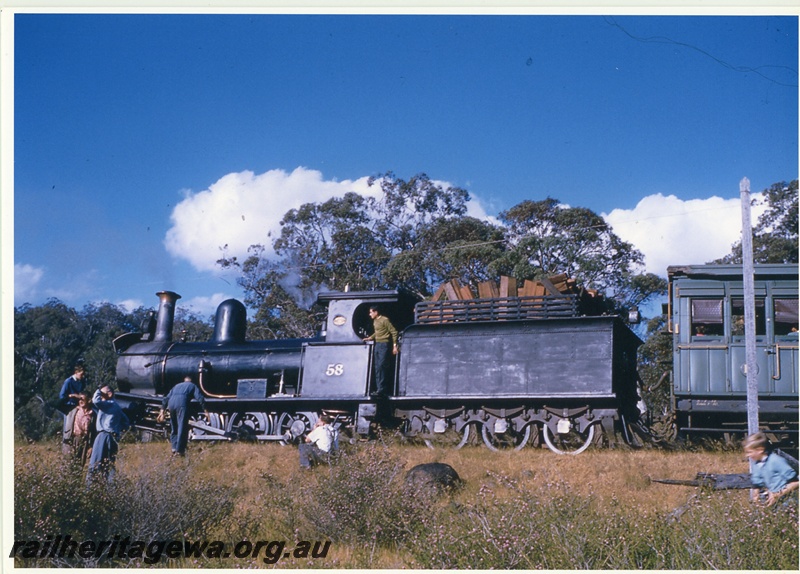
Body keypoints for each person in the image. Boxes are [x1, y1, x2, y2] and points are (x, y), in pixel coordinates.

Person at [743, 432, 799, 507]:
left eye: (749, 452)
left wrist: (777, 494)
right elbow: (757, 482)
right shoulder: (757, 464)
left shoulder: (776, 461)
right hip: (773, 501)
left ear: (760, 450)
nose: (747, 455)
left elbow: (795, 482)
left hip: (787, 501)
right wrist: (756, 495)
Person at [87, 385, 130, 483]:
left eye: (102, 394)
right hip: (113, 437)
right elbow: (126, 422)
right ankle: (110, 488)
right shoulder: (117, 406)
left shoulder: (108, 404)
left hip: (104, 435)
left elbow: (95, 401)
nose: (101, 396)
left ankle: (90, 489)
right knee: (108, 465)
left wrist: (98, 390)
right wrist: (117, 430)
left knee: (95, 463)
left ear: (109, 394)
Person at [158, 376, 208, 457]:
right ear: (191, 381)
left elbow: (166, 398)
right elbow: (199, 397)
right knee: (182, 427)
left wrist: (162, 410)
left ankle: (174, 448)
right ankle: (180, 451)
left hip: (171, 404)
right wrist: (205, 410)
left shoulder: (176, 386)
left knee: (174, 426)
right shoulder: (192, 385)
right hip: (181, 404)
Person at [362, 305, 399, 397]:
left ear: (376, 312)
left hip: (384, 345)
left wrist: (394, 346)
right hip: (377, 344)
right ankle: (379, 388)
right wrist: (370, 337)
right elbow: (378, 332)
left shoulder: (384, 320)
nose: (370, 314)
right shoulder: (375, 321)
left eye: (371, 312)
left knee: (382, 366)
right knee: (377, 366)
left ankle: (383, 389)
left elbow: (394, 332)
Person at [62, 393, 95, 466]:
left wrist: (91, 446)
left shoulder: (93, 414)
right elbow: (57, 403)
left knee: (80, 464)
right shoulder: (73, 410)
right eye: (79, 399)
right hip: (71, 439)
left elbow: (94, 432)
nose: (80, 401)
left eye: (82, 399)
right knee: (68, 463)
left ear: (89, 400)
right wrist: (71, 396)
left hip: (84, 441)